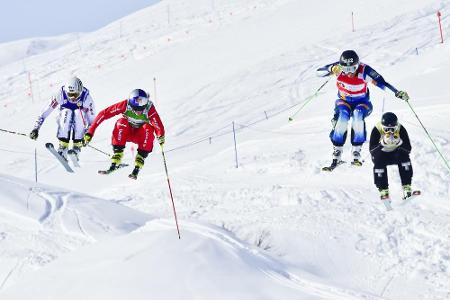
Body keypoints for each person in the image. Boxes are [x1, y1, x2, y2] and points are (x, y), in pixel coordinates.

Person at [316, 50, 410, 169]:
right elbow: (318, 73)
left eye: (352, 69)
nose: (349, 73)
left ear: (357, 65)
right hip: (343, 101)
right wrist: (331, 69)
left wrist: (397, 92)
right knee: (343, 116)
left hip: (362, 103)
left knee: (358, 115)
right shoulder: (338, 68)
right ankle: (337, 150)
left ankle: (356, 150)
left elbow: (382, 83)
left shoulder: (365, 71)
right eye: (346, 69)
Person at [83, 88, 165, 179]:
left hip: (140, 136)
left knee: (148, 127)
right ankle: (117, 155)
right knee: (121, 122)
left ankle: (140, 159)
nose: (139, 112)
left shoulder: (149, 108)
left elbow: (157, 124)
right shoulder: (125, 105)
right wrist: (90, 132)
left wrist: (160, 136)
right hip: (126, 133)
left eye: (141, 108)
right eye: (136, 108)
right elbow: (104, 114)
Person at [29, 76, 96, 160]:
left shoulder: (86, 99)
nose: (73, 98)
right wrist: (36, 128)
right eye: (70, 95)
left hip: (80, 122)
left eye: (75, 94)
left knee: (78, 113)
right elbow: (45, 112)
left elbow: (92, 120)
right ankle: (63, 147)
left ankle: (77, 147)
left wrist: (87, 135)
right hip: (64, 118)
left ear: (80, 91)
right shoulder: (60, 95)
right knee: (66, 112)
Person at [369, 112, 414, 201]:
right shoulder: (377, 129)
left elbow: (408, 149)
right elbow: (372, 150)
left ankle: (406, 186)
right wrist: (382, 144)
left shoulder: (401, 129)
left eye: (392, 129)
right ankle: (383, 189)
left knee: (405, 160)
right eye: (386, 129)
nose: (389, 132)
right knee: (378, 165)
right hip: (381, 155)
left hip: (395, 154)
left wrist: (400, 143)